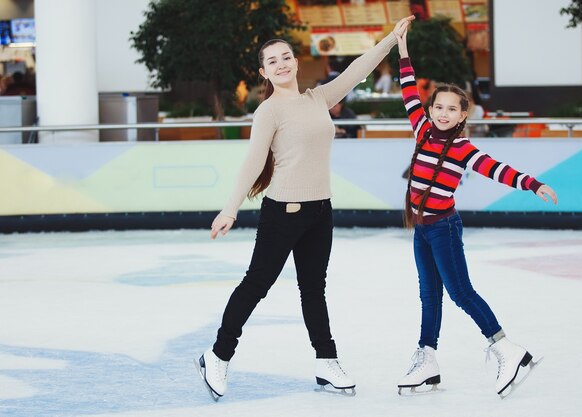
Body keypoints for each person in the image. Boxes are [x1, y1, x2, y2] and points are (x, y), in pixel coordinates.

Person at [196, 15, 416, 401]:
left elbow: (355, 71)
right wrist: (230, 208)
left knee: (314, 288)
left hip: (320, 211)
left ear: (296, 62)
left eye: (286, 57)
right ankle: (217, 354)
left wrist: (390, 41)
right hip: (283, 212)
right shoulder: (268, 112)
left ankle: (325, 361)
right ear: (263, 72)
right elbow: (252, 162)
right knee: (256, 284)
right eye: (272, 61)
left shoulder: (318, 99)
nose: (281, 64)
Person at [393, 27, 558, 397]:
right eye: (438, 106)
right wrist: (402, 50)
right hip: (421, 228)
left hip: (444, 229)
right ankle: (428, 360)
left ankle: (506, 349)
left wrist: (534, 184)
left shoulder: (463, 150)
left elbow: (498, 169)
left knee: (461, 292)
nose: (443, 113)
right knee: (429, 295)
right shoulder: (421, 130)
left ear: (464, 113)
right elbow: (407, 91)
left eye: (452, 108)